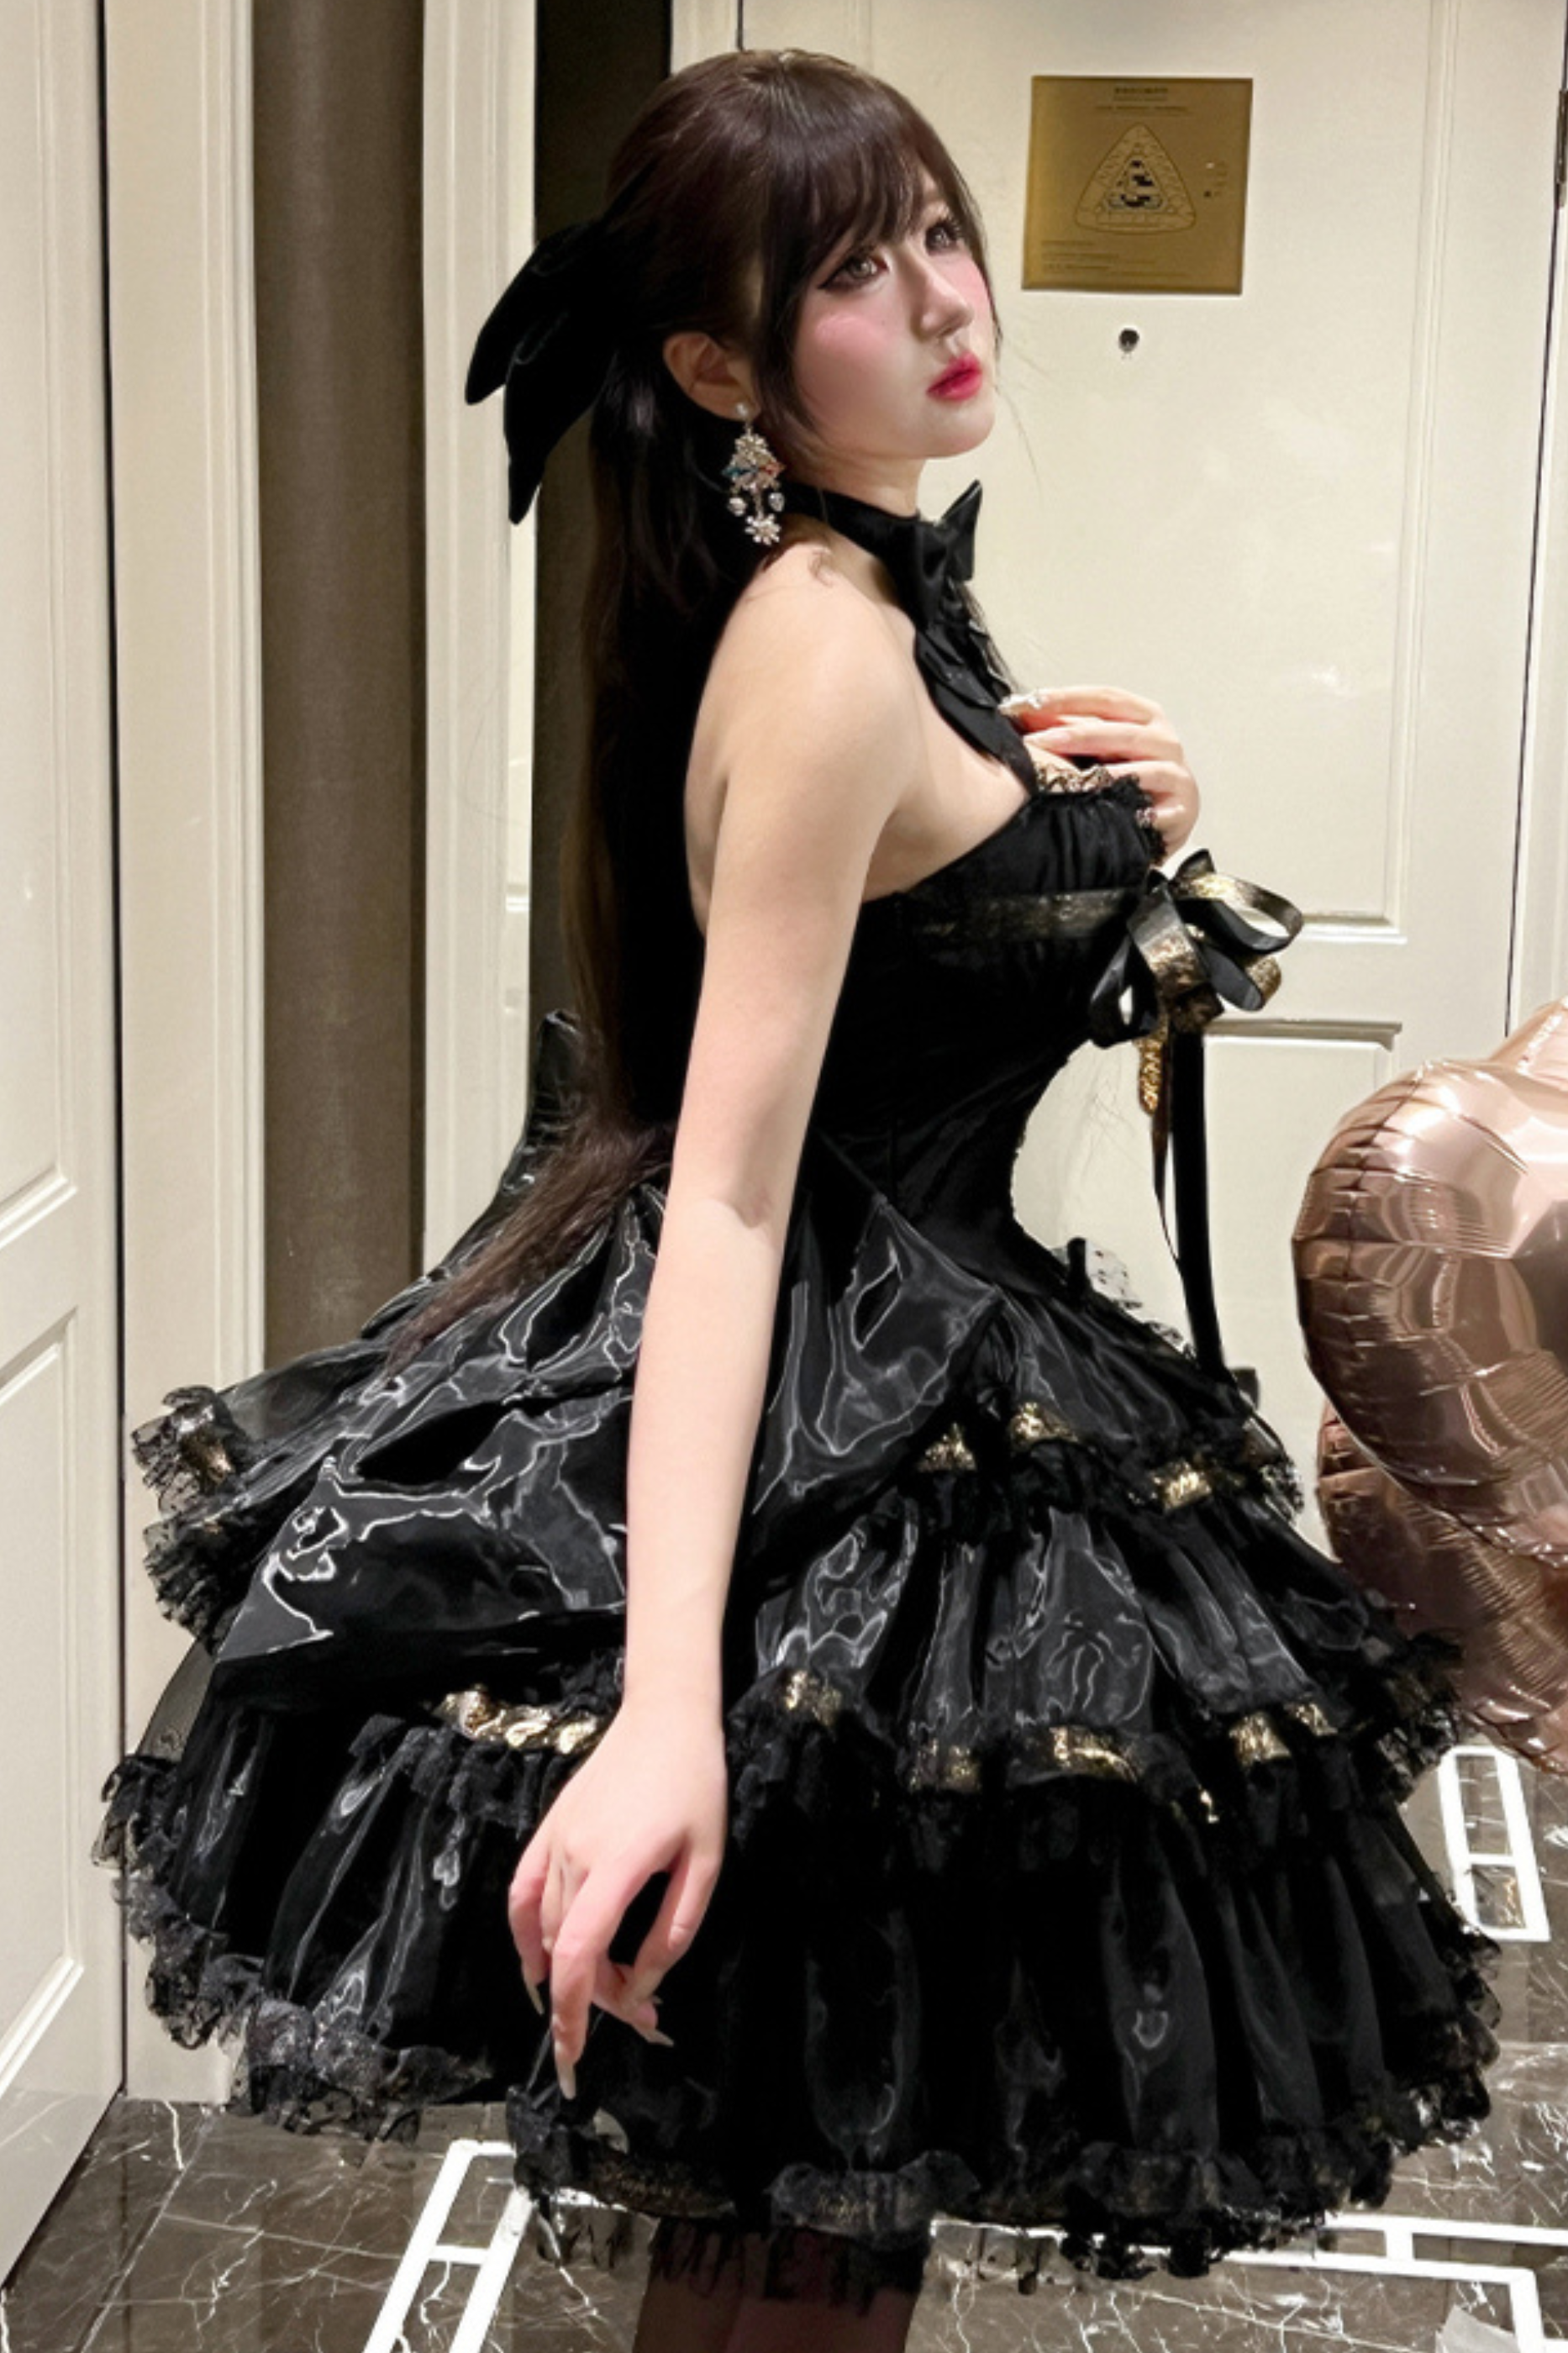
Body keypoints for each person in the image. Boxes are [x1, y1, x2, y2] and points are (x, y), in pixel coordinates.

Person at [92, 46, 1503, 2353]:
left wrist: (1111, 826)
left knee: (817, 2199)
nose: (947, 295)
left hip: (911, 1383)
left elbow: (918, 969)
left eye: (940, 229)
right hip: (829, 1445)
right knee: (803, 2216)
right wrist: (670, 1713)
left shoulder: (869, 590)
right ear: (719, 368)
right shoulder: (832, 650)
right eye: (857, 267)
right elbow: (732, 1200)